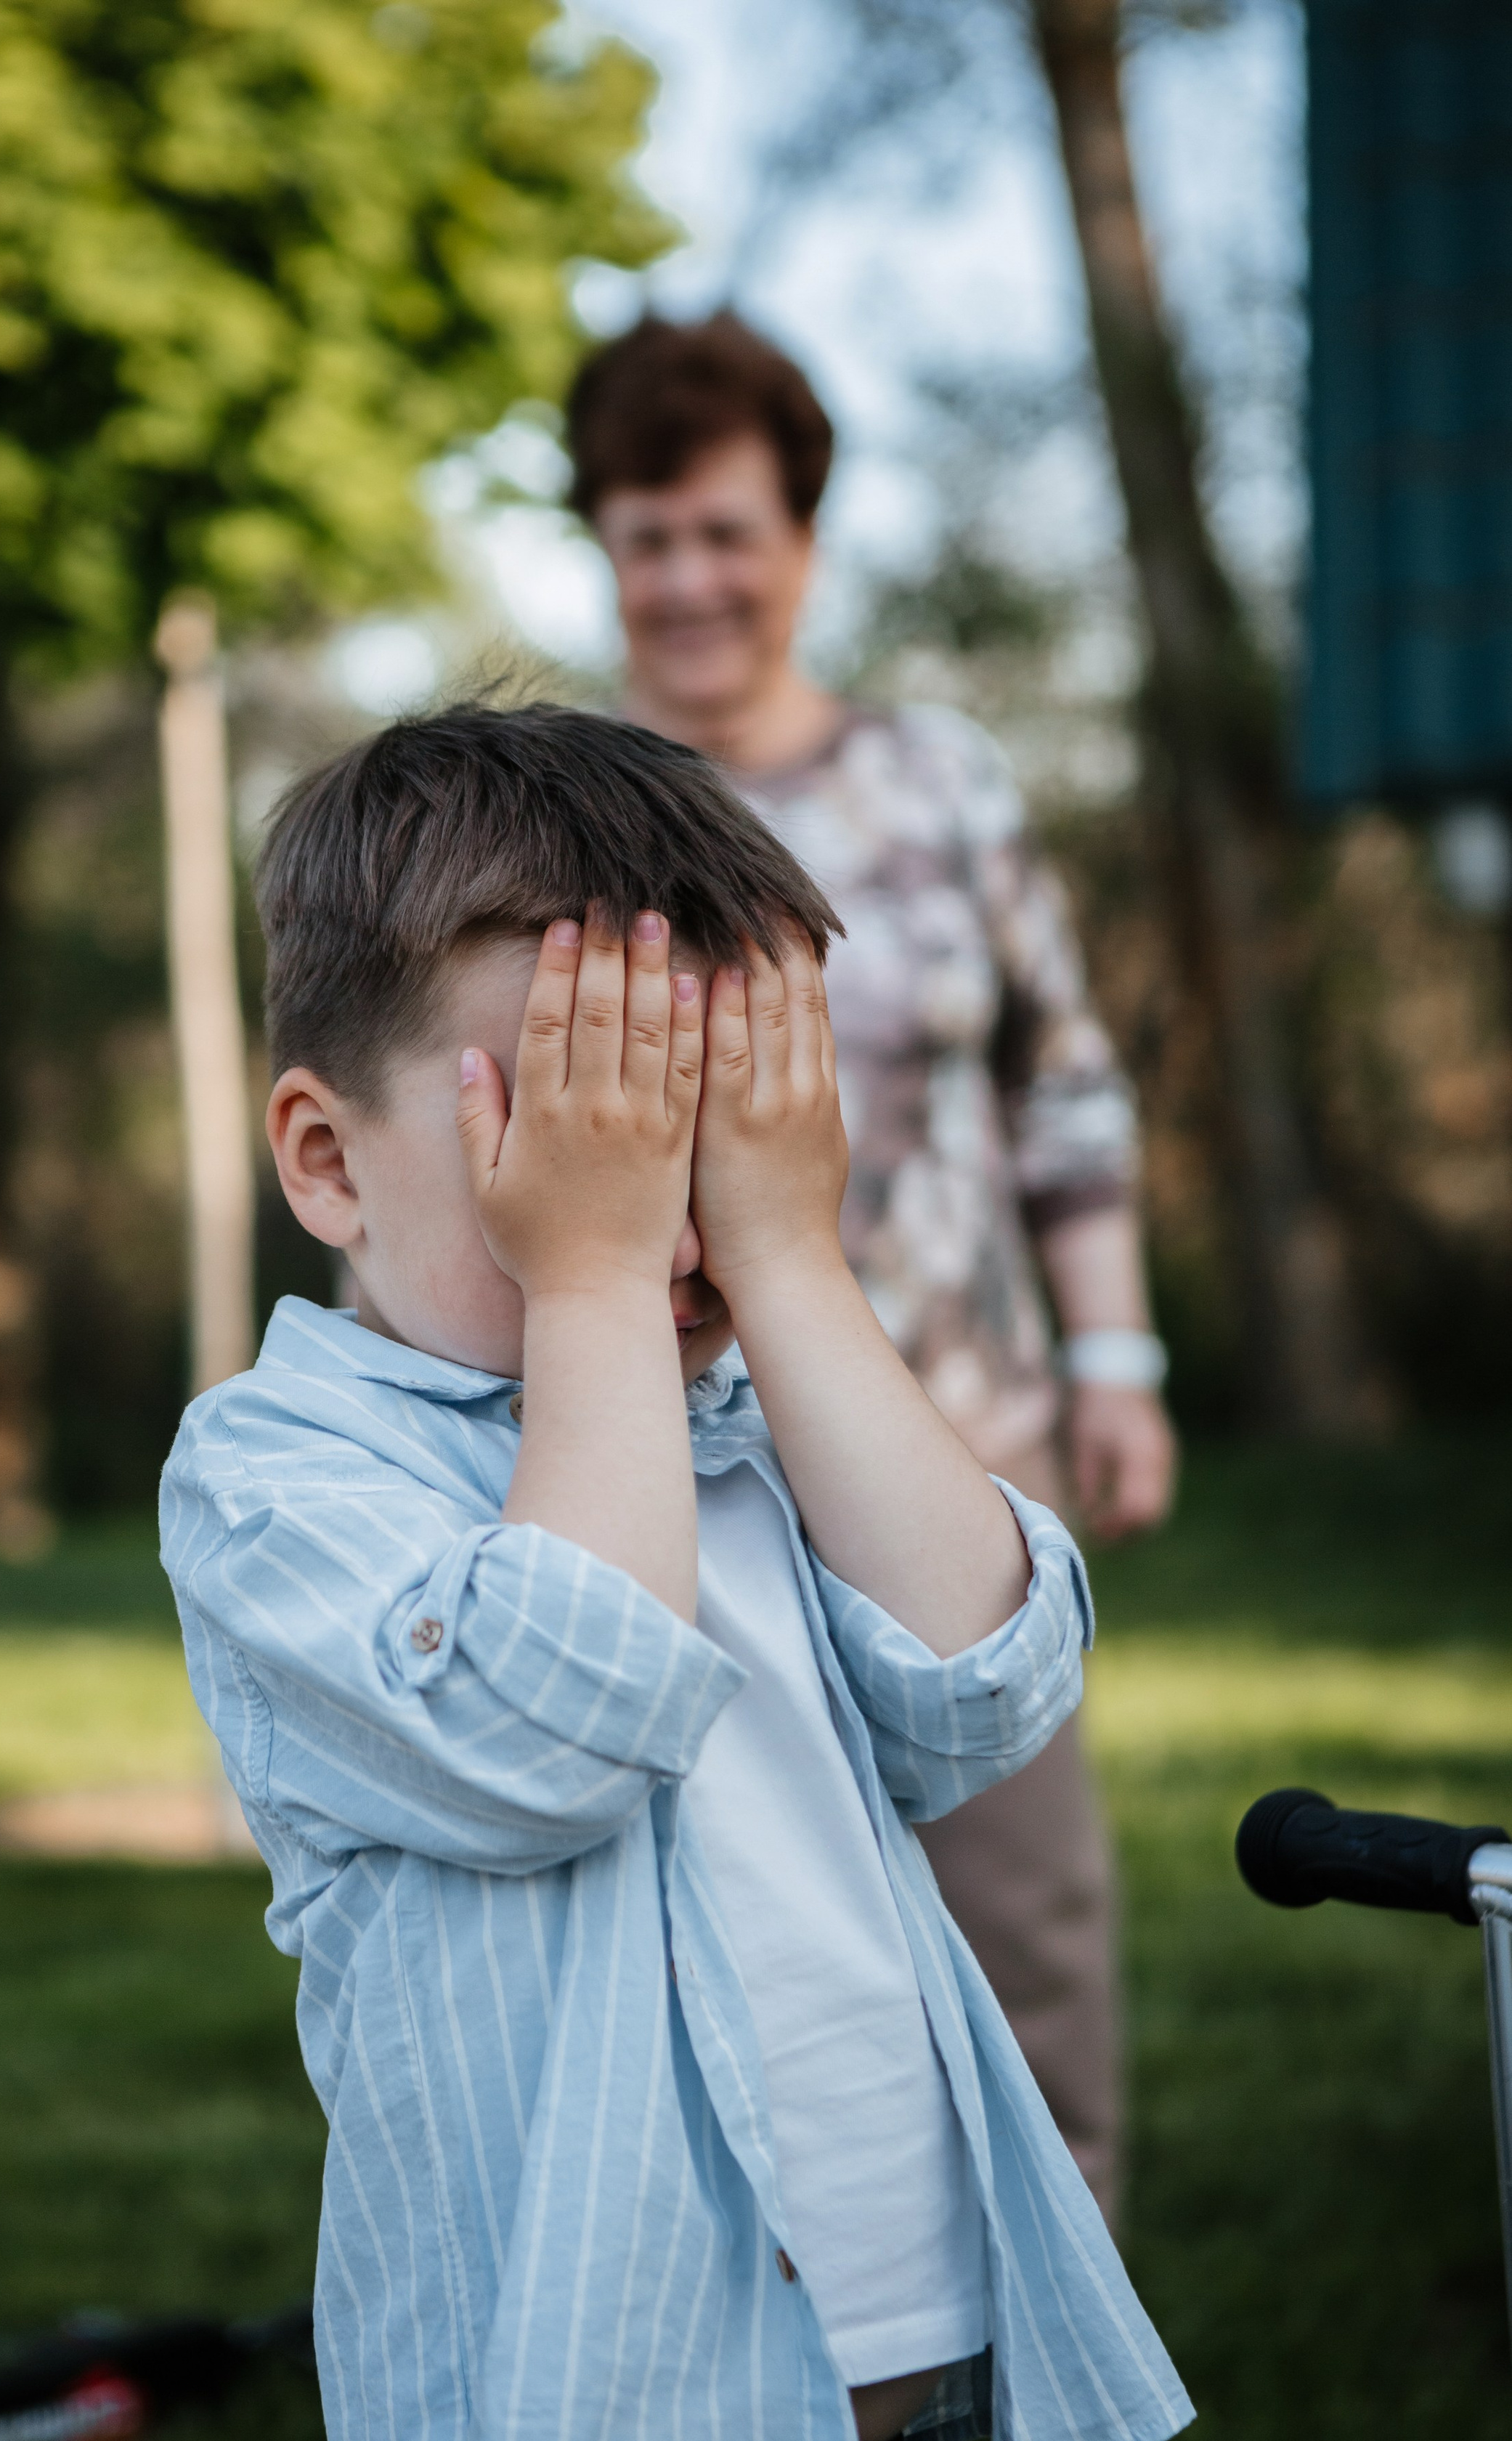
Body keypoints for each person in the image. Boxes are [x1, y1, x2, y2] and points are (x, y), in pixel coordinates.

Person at [160, 704, 1192, 2441]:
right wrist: (605, 1283)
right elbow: (560, 1717)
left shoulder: (736, 1420)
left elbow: (989, 1682)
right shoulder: (284, 1477)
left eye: (692, 1134)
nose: (651, 1216)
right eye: (573, 1138)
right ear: (328, 1161)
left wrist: (798, 1254)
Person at [564, 314, 1179, 2231]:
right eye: (647, 533)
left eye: (726, 531)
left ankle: (1057, 2267)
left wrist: (1119, 1355)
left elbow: (1062, 1080)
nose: (689, 578)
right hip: (677, 1466)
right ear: (601, 547)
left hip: (958, 1419)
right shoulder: (557, 815)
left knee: (1021, 1885)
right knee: (737, 1895)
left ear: (804, 543)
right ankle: (786, 2299)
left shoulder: (942, 785)